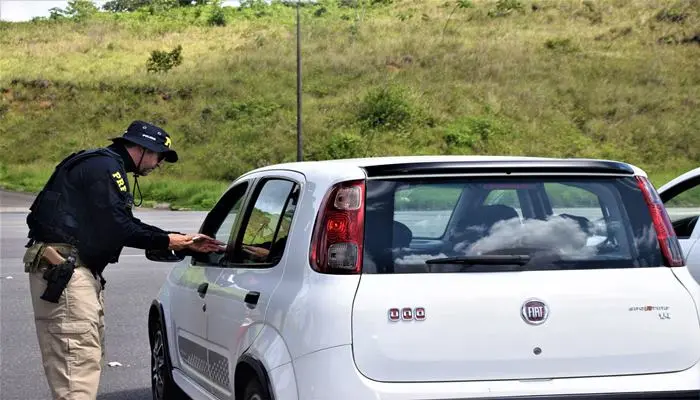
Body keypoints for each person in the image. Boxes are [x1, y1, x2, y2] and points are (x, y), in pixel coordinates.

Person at [22, 120, 224, 400]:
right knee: (76, 369)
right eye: (159, 156)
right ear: (141, 149)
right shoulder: (104, 168)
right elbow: (118, 227)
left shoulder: (103, 165)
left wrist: (173, 238)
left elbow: (121, 223)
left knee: (81, 361)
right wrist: (172, 240)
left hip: (71, 269)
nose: (159, 164)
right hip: (66, 271)